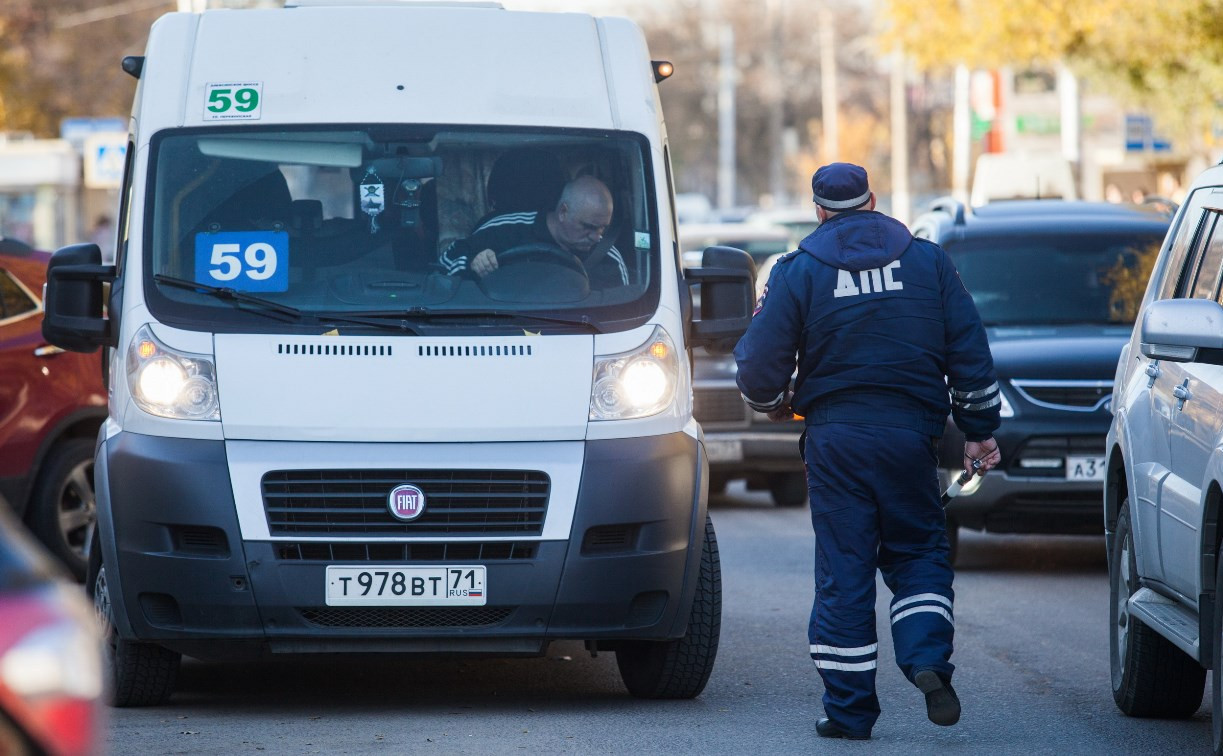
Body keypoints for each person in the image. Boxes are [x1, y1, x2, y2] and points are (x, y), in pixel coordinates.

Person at [734, 162, 1002, 740]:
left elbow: (757, 369)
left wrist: (776, 399)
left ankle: (850, 713)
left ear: (819, 211)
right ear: (874, 201)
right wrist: (979, 429)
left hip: (835, 441)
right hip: (910, 438)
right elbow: (970, 352)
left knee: (844, 570)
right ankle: (927, 660)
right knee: (918, 553)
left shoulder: (798, 270)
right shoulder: (928, 261)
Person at [440, 175, 629, 288]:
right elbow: (444, 265)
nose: (597, 237)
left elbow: (623, 320)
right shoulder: (504, 230)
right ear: (562, 212)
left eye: (603, 228)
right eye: (588, 226)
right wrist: (472, 264)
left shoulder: (609, 258)